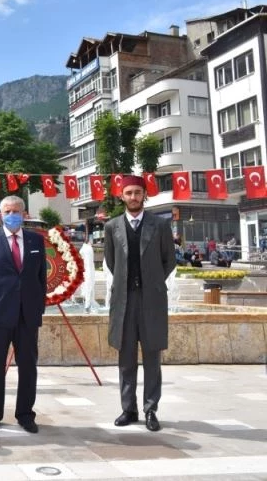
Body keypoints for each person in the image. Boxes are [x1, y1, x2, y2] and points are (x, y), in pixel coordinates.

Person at [0, 195, 47, 433]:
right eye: (7, 211)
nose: (11, 215)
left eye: (15, 210)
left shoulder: (35, 240)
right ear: (0, 215)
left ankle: (25, 414)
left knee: (28, 366)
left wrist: (39, 308)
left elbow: (41, 277)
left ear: (24, 214)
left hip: (27, 314)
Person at [104, 175, 176, 432]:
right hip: (124, 300)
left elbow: (170, 260)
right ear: (121, 196)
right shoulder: (112, 227)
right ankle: (128, 409)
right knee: (125, 358)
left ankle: (150, 409)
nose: (133, 197)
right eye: (129, 193)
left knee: (152, 357)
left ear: (144, 195)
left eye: (137, 193)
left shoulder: (159, 225)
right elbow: (112, 262)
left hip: (152, 300)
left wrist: (154, 282)